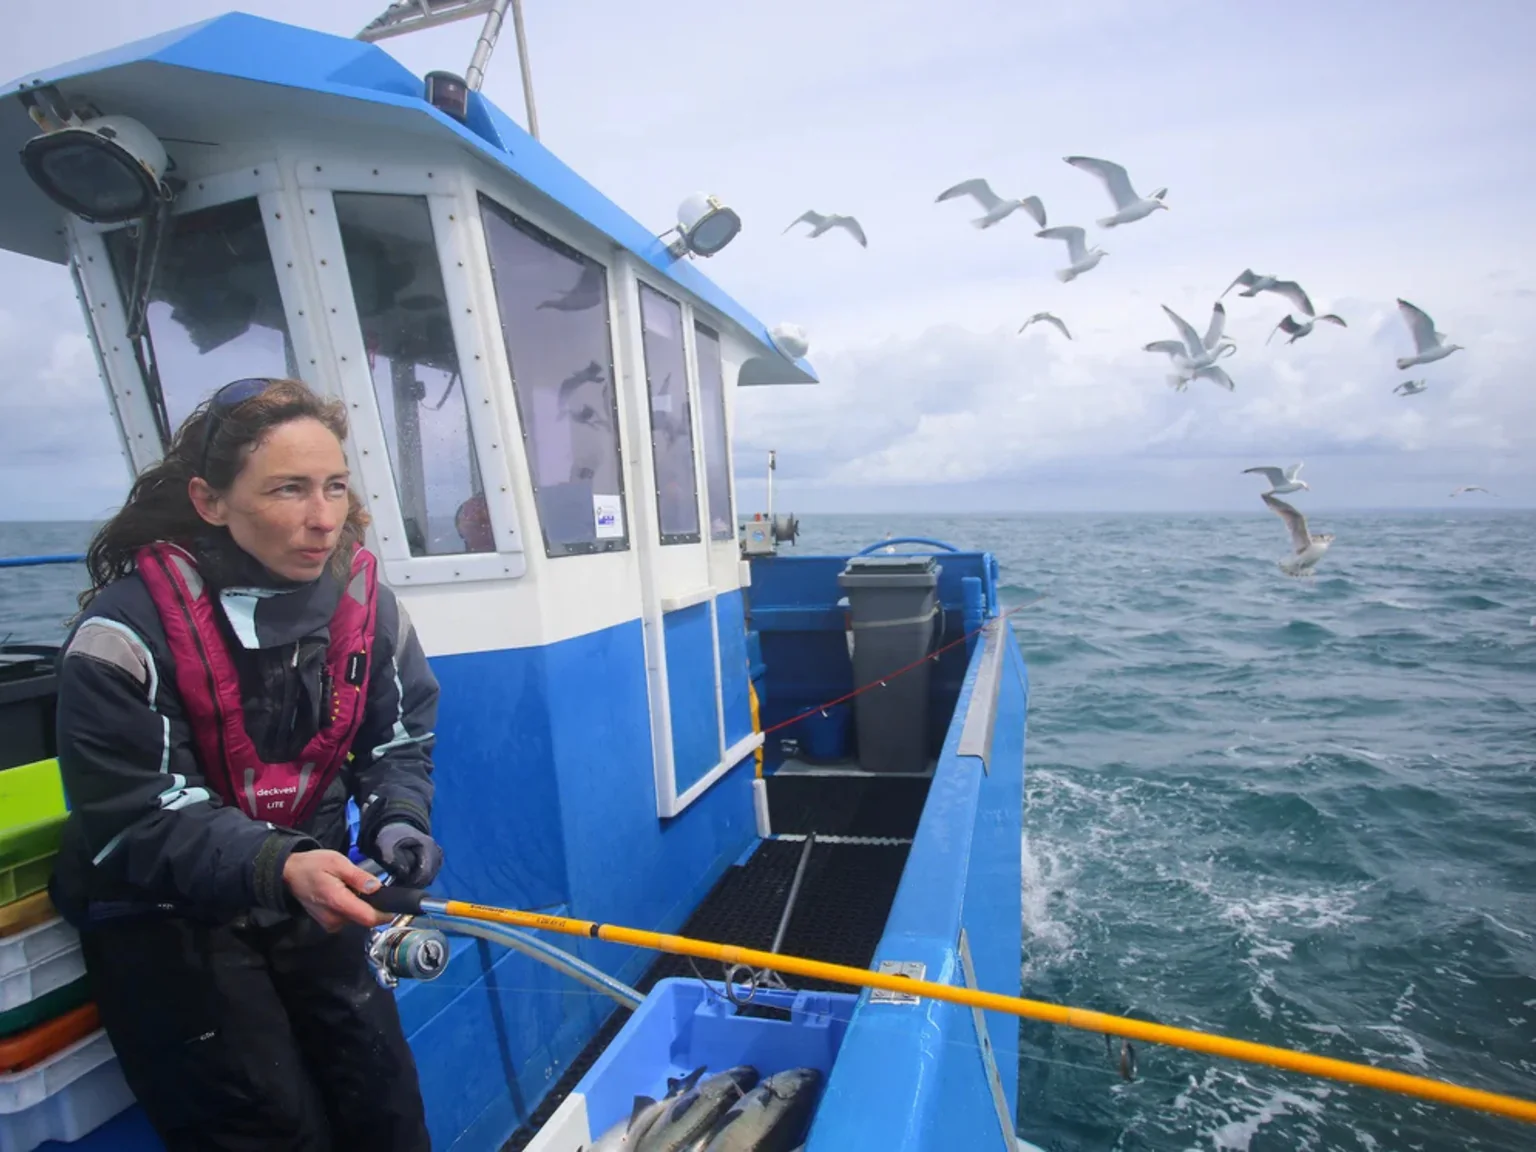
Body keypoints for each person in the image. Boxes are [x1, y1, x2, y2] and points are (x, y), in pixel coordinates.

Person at [49, 376, 445, 1151]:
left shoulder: (369, 610)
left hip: (303, 889)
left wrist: (400, 817)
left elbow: (397, 742)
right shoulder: (121, 635)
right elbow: (133, 813)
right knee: (267, 1128)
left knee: (388, 1115)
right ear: (210, 500)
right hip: (168, 919)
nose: (323, 519)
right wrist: (284, 865)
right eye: (288, 490)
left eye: (334, 487)